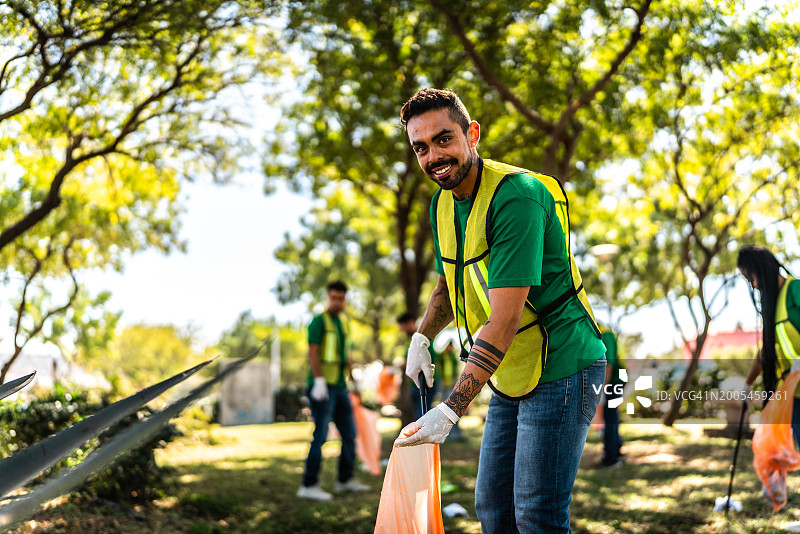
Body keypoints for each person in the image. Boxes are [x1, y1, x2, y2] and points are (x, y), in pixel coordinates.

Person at [393, 88, 607, 533]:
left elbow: (504, 319)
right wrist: (422, 337)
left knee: (536, 514)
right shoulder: (442, 203)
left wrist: (450, 409)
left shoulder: (517, 198)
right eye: (421, 147)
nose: (433, 156)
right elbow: (449, 283)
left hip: (562, 365)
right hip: (512, 369)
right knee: (493, 508)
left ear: (472, 134)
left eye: (443, 139)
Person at [297, 280, 369, 500]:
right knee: (320, 435)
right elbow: (313, 352)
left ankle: (344, 480)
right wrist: (318, 381)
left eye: (341, 298)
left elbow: (347, 355)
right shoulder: (319, 321)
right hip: (322, 388)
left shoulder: (344, 323)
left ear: (345, 299)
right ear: (328, 297)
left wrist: (353, 381)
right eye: (334, 298)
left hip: (340, 387)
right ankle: (309, 485)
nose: (337, 302)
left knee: (350, 435)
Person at [739, 245, 800, 448]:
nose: (754, 285)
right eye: (749, 281)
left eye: (752, 277)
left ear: (764, 268)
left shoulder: (795, 290)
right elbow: (766, 352)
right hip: (795, 395)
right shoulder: (772, 306)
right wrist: (747, 385)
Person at [397, 311, 441, 420]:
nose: (402, 330)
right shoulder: (410, 340)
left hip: (426, 381)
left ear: (410, 322)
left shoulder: (424, 337)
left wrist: (406, 363)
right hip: (414, 383)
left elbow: (426, 357)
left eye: (403, 327)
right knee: (419, 414)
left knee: (423, 414)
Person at [598, 324, 626, 467]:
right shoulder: (603, 332)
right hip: (614, 380)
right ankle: (616, 451)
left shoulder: (606, 334)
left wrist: (603, 388)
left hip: (614, 380)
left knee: (610, 416)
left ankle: (611, 457)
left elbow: (609, 363)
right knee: (611, 415)